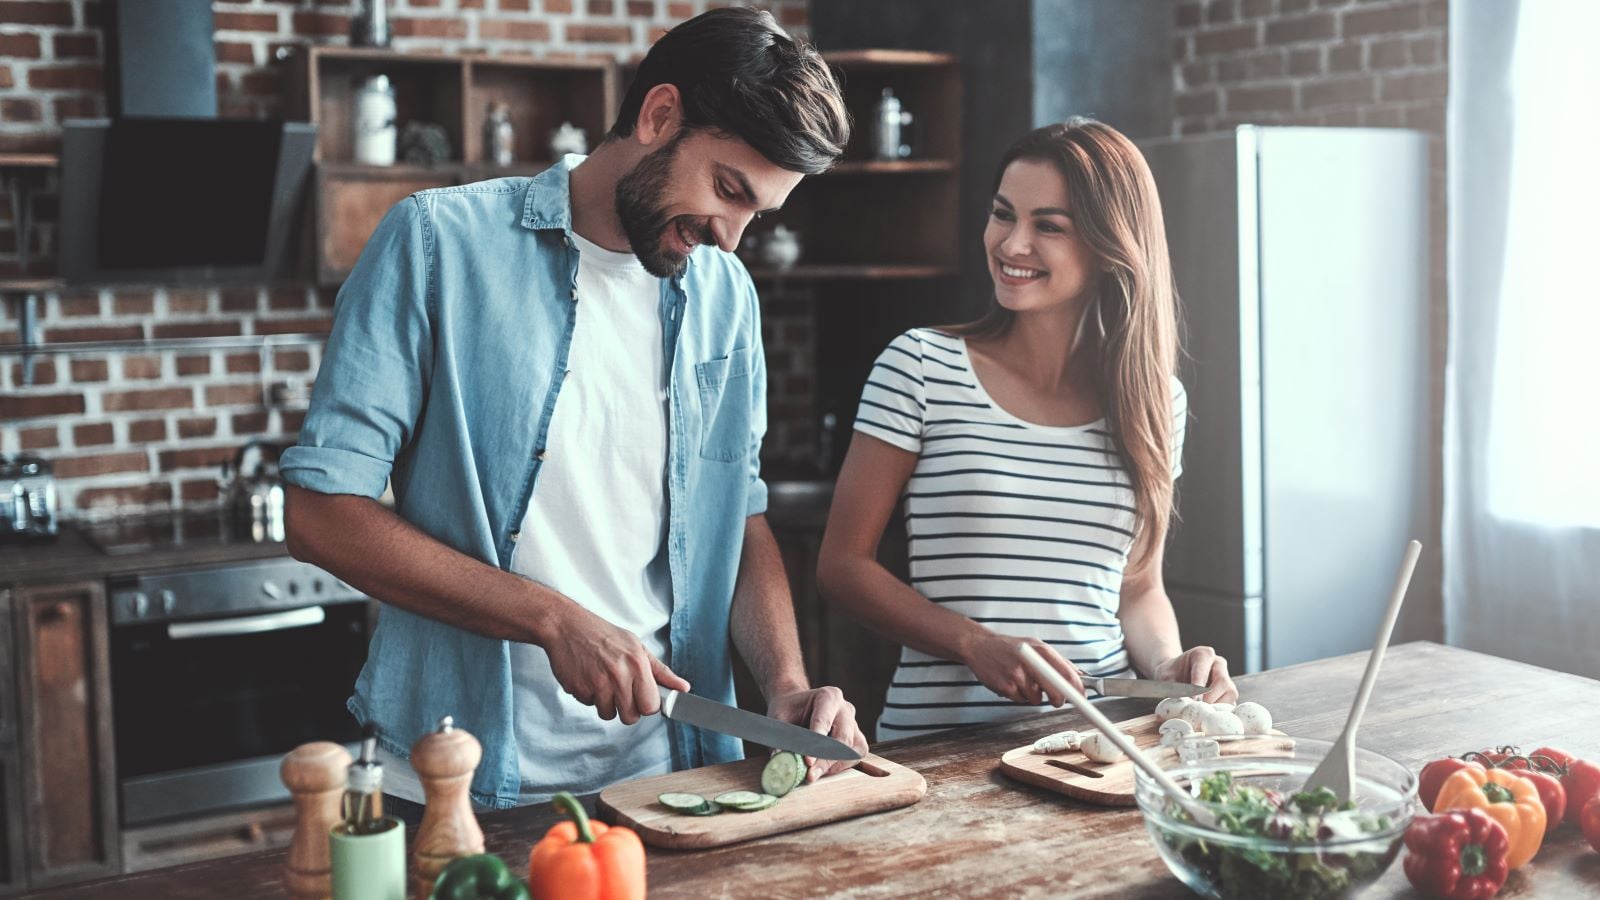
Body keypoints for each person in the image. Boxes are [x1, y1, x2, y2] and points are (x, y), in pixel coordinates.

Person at [280, 7, 866, 814]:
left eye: (757, 214)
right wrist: (553, 619)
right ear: (660, 116)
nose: (731, 238)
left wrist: (788, 685)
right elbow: (319, 513)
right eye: (728, 189)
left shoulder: (725, 295)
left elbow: (742, 515)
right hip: (463, 782)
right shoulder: (437, 244)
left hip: (671, 779)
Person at [816, 119, 1238, 740]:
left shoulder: (1156, 401)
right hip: (940, 745)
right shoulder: (920, 366)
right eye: (1003, 215)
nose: (1012, 244)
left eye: (1048, 226)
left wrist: (1167, 665)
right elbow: (842, 565)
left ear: (1108, 245)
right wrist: (973, 643)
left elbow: (1138, 588)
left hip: (1099, 742)